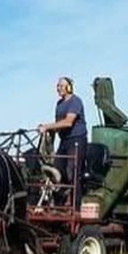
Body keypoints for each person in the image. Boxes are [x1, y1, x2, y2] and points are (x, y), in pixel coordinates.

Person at [37, 77, 87, 208]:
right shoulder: (59, 104)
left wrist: (47, 126)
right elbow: (58, 125)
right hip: (64, 141)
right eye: (57, 86)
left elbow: (68, 122)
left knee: (72, 172)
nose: (58, 88)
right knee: (57, 170)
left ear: (69, 87)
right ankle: (59, 203)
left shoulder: (76, 101)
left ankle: (75, 207)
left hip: (77, 140)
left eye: (61, 86)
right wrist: (47, 132)